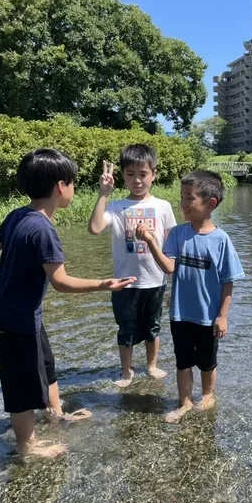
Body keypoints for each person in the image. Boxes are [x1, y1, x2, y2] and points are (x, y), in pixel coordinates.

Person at [0, 149, 135, 458]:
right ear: (60, 186)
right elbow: (61, 281)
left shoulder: (18, 215)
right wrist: (103, 284)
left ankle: (55, 414)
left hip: (24, 315)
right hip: (17, 321)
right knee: (21, 384)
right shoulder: (42, 229)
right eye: (73, 182)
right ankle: (26, 446)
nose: (74, 187)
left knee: (45, 367)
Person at [136, 170, 244, 423]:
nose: (182, 204)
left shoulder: (221, 240)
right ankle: (184, 401)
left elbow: (228, 282)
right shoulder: (178, 234)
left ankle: (208, 395)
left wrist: (222, 316)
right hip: (181, 313)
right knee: (183, 361)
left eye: (189, 199)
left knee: (207, 362)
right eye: (181, 197)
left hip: (208, 317)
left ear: (210, 204)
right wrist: (151, 242)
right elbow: (169, 267)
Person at [88, 144, 177, 387]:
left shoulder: (163, 207)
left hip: (155, 279)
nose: (137, 181)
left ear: (154, 174)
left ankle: (151, 365)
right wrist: (104, 194)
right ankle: (126, 370)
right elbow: (95, 228)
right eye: (130, 175)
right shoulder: (117, 207)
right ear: (123, 176)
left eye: (143, 174)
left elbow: (171, 247)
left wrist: (174, 281)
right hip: (124, 281)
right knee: (125, 327)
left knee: (153, 326)